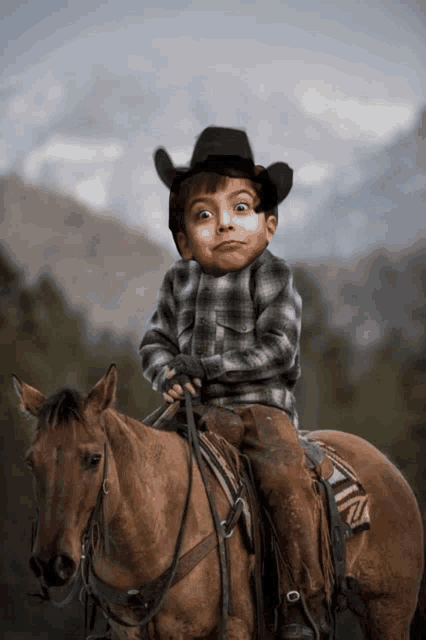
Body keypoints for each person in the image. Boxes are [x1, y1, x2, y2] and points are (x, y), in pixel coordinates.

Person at [139, 126, 329, 640]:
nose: (224, 224)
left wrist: (213, 367)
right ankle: (126, 599)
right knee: (130, 471)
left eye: (239, 208)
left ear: (268, 226)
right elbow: (154, 342)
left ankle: (299, 602)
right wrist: (170, 374)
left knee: (286, 481)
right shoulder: (178, 281)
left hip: (257, 414)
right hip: (194, 416)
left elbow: (279, 348)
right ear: (182, 238)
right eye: (204, 214)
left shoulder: (272, 275)